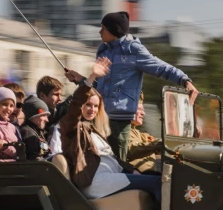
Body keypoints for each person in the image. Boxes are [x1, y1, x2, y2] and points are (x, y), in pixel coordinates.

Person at [65, 11, 198, 162]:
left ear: (114, 31)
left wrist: (184, 80)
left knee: (118, 163)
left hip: (118, 120)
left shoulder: (134, 50)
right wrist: (81, 79)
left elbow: (162, 68)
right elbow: (98, 87)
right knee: (95, 161)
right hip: (98, 116)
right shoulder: (103, 50)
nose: (100, 31)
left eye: (103, 28)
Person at [61, 57, 161, 203]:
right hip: (96, 181)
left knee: (159, 178)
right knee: (157, 184)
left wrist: (133, 170)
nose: (92, 109)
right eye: (88, 105)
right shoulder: (73, 127)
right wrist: (92, 77)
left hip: (111, 177)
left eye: (96, 106)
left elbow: (113, 159)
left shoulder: (96, 132)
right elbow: (75, 107)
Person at [127, 93, 162, 174]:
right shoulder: (123, 132)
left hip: (148, 174)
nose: (143, 113)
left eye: (143, 110)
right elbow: (131, 150)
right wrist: (157, 144)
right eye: (139, 109)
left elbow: (155, 142)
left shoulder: (140, 134)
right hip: (137, 175)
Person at [20, 95, 52, 160]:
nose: (47, 120)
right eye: (44, 115)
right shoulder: (28, 132)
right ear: (33, 116)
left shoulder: (38, 132)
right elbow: (34, 159)